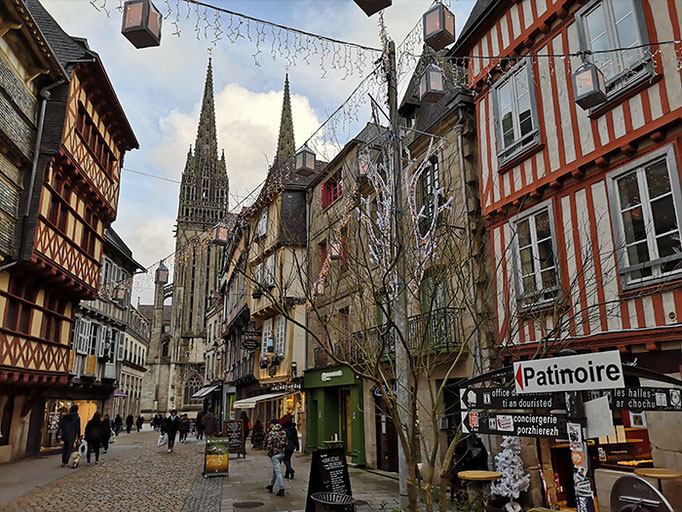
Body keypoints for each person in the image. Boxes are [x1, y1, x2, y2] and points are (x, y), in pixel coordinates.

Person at [264, 419, 288, 496]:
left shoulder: (272, 433)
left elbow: (269, 444)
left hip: (275, 454)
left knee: (278, 471)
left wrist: (270, 451)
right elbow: (286, 443)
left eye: (270, 424)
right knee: (275, 469)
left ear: (273, 424)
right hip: (282, 454)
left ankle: (281, 488)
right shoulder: (283, 432)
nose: (269, 425)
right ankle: (271, 485)